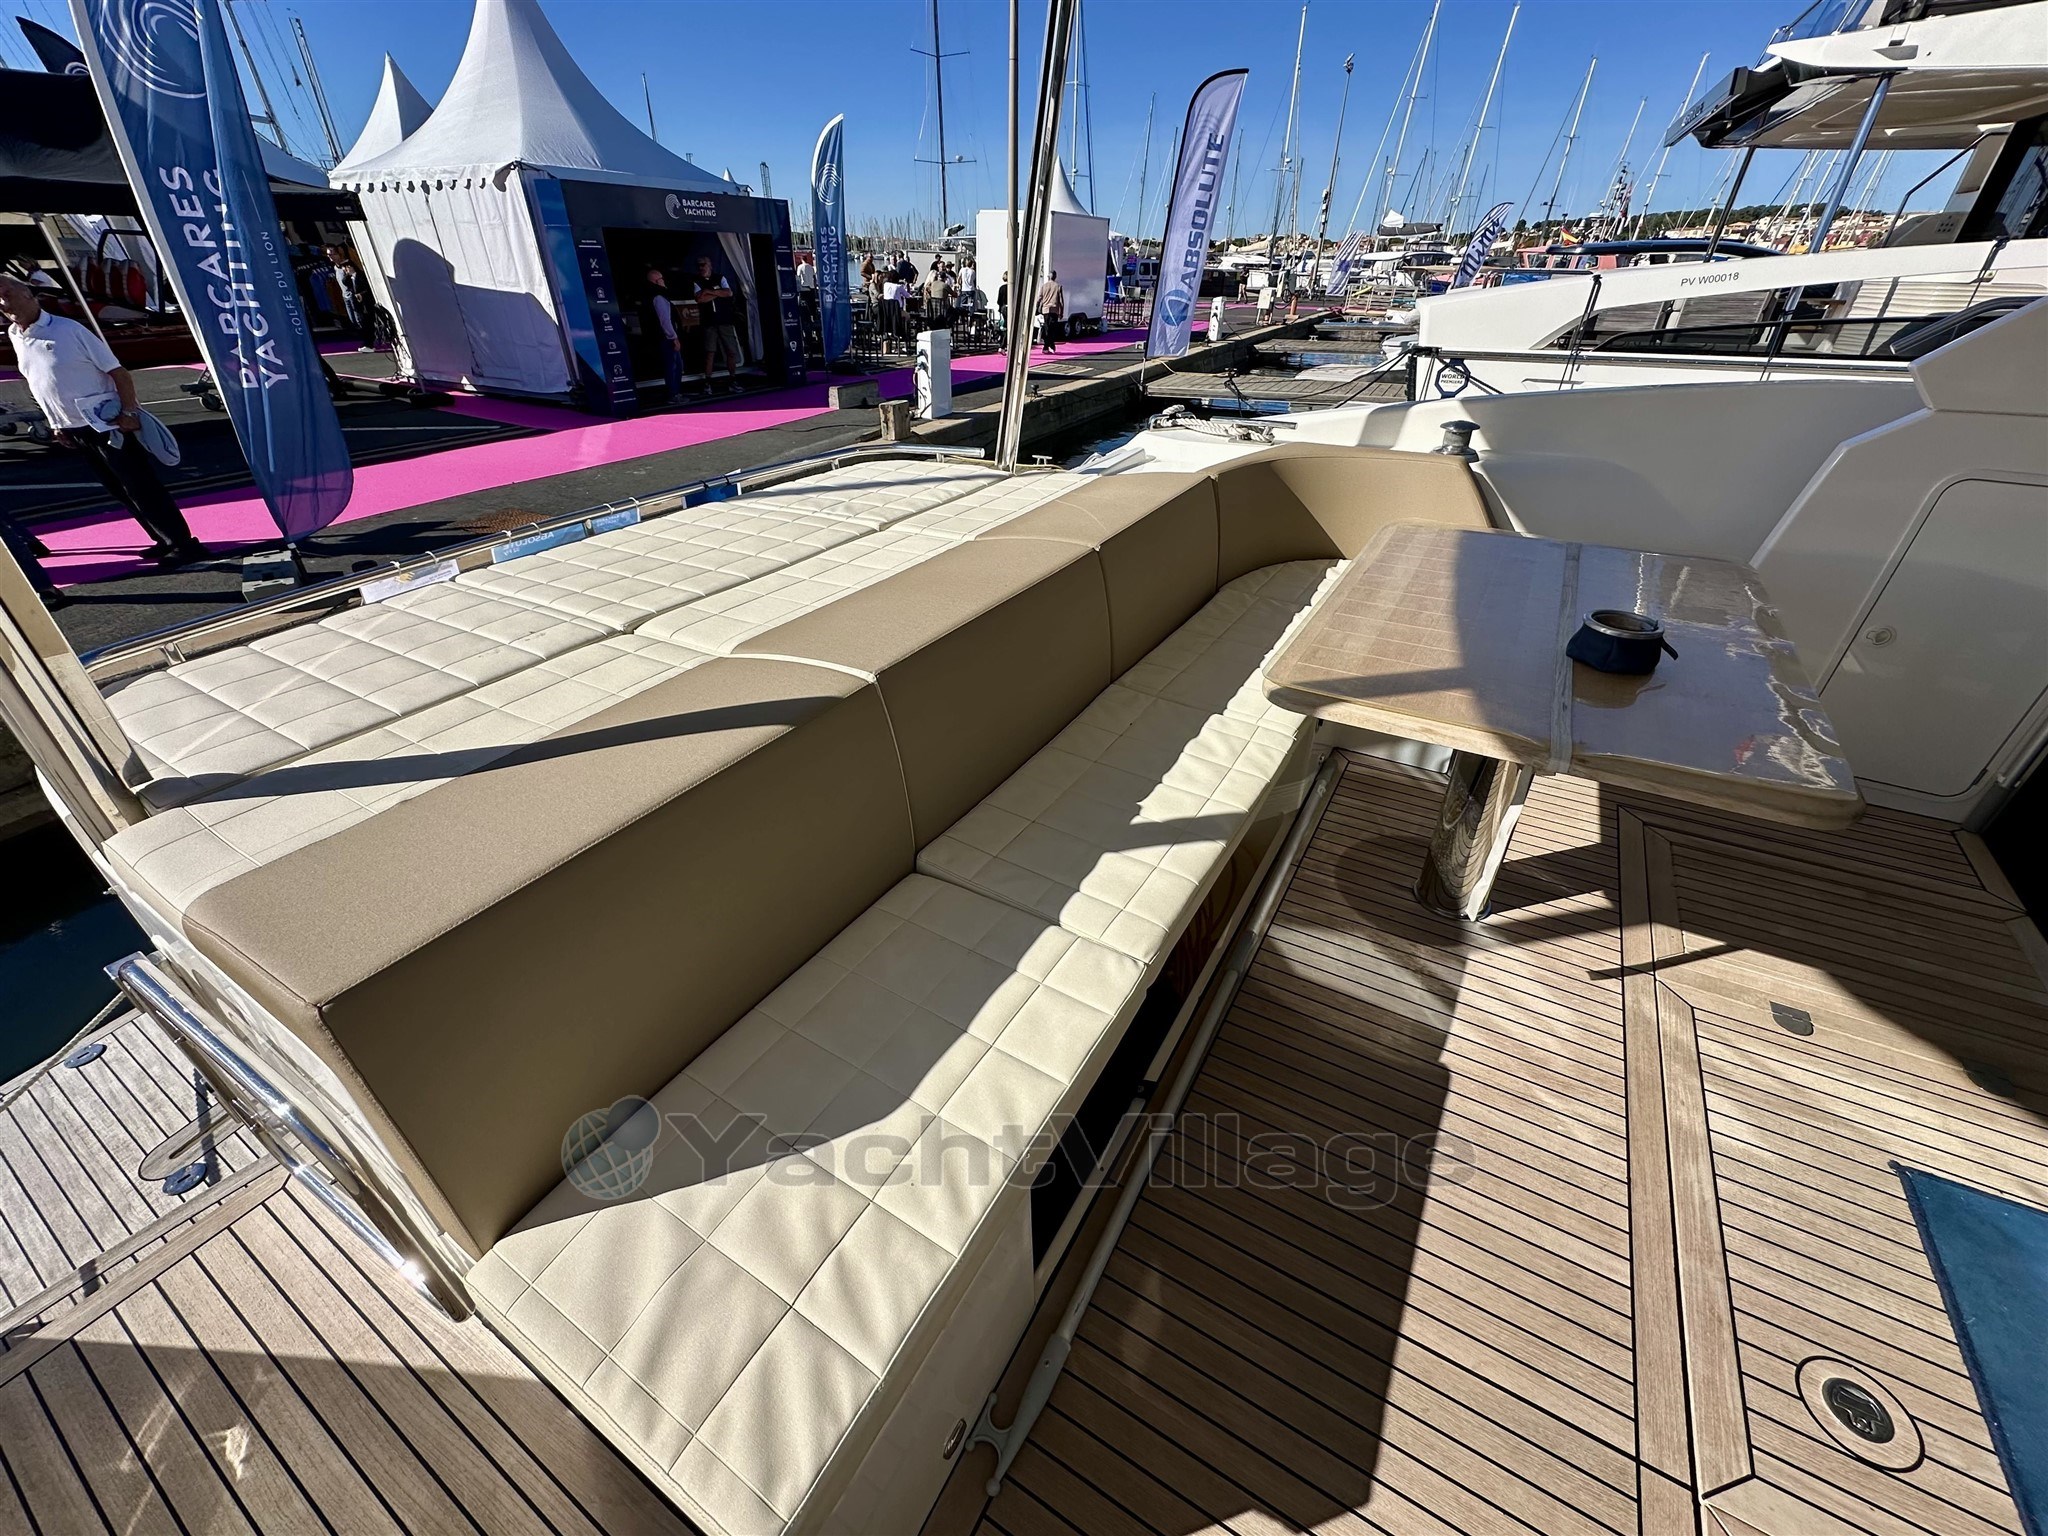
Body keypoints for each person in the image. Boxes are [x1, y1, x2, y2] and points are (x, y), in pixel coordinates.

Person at [0, 274, 203, 570]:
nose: (2, 302)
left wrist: (129, 412)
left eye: (6, 293)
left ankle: (184, 544)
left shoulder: (68, 330)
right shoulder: (16, 335)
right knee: (118, 488)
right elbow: (40, 381)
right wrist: (56, 423)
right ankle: (163, 538)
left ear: (30, 295)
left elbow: (118, 372)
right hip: (74, 426)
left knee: (140, 484)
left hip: (106, 422)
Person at [691, 255, 745, 392]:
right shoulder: (697, 281)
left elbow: (728, 293)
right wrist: (717, 293)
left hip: (725, 320)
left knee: (731, 351)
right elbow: (700, 299)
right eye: (699, 265)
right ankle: (707, 382)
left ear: (710, 265)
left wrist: (708, 291)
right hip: (709, 322)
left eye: (703, 264)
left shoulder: (720, 278)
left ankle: (733, 379)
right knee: (710, 352)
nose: (701, 268)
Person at [646, 265, 684, 405]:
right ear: (656, 281)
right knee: (674, 367)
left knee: (673, 366)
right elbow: (665, 320)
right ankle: (673, 394)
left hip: (661, 337)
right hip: (667, 338)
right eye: (661, 279)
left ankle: (674, 393)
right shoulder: (659, 297)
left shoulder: (652, 296)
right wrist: (674, 337)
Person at [1036, 269, 1066, 354]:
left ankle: (1047, 346)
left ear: (1048, 277)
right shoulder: (1058, 286)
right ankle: (1050, 345)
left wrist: (1037, 308)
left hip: (1045, 310)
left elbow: (1039, 298)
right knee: (1052, 329)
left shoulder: (1044, 286)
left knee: (1047, 328)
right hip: (1054, 310)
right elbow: (1061, 302)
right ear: (1055, 277)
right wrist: (1061, 312)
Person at [922, 263, 952, 332]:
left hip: (932, 310)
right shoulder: (943, 285)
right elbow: (954, 294)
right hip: (941, 309)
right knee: (953, 313)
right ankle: (948, 326)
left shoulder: (930, 286)